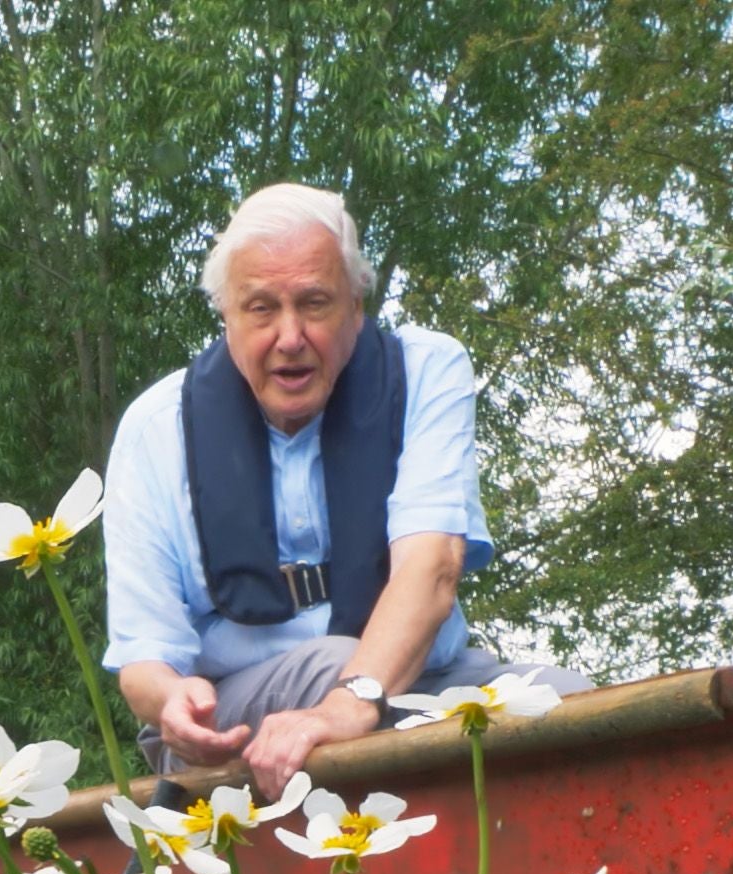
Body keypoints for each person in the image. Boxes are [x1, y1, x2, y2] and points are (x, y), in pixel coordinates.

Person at [97, 182, 592, 800]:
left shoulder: (428, 371)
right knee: (337, 660)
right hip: (239, 713)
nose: (290, 336)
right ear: (225, 316)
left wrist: (349, 702)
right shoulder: (153, 429)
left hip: (415, 684)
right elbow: (144, 660)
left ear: (357, 307)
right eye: (260, 308)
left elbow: (432, 568)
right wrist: (172, 702)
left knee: (580, 705)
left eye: (315, 302)